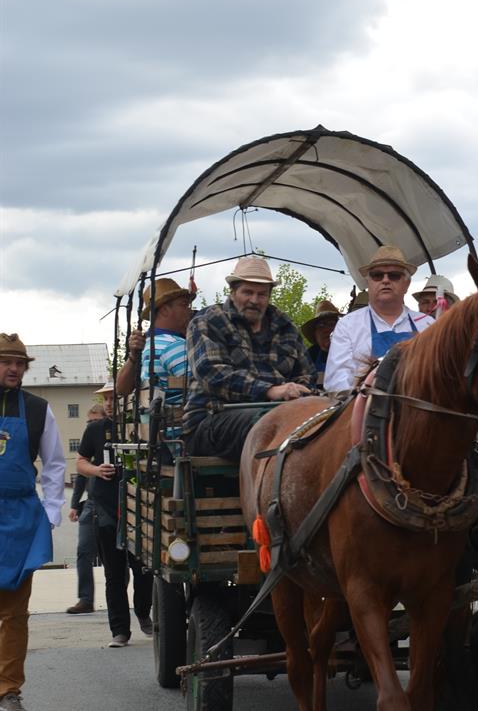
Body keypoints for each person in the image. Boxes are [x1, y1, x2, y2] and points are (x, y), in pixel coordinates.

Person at [184, 256, 316, 463]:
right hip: (212, 419)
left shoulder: (285, 326)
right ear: (233, 291)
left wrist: (298, 393)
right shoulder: (208, 321)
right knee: (266, 424)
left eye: (262, 294)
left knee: (325, 425)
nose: (254, 300)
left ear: (269, 296)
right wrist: (269, 391)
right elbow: (211, 374)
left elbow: (306, 373)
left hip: (282, 413)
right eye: (248, 292)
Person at [0, 333, 66, 711]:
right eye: (6, 362)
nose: (13, 369)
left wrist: (52, 511)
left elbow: (56, 463)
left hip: (20, 519)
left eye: (19, 363)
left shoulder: (39, 409)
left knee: (14, 613)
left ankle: (8, 692)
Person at [76, 382, 153, 647]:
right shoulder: (95, 429)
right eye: (106, 399)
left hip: (139, 509)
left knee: (143, 572)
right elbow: (81, 461)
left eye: (114, 398)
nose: (109, 403)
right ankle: (119, 631)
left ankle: (143, 612)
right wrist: (96, 471)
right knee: (114, 574)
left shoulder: (142, 426)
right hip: (106, 509)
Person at [323, 246, 434, 394]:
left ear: (406, 284)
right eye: (377, 275)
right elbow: (337, 382)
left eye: (394, 275)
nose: (385, 280)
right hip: (365, 410)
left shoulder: (427, 325)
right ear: (369, 283)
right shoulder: (347, 325)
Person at [115, 277, 194, 407]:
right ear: (164, 310)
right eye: (184, 305)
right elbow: (204, 387)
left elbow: (121, 389)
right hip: (183, 425)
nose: (189, 310)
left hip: (155, 425)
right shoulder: (173, 345)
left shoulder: (147, 344)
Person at [66, 405, 106, 614]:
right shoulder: (88, 441)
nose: (90, 426)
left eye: (94, 421)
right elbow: (81, 474)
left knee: (113, 554)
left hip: (110, 503)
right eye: (88, 422)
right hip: (90, 504)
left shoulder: (107, 440)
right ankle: (85, 599)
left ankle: (116, 594)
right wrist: (74, 505)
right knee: (83, 551)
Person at [301, 300, 342, 384]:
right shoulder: (309, 357)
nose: (326, 329)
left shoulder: (354, 352)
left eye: (331, 324)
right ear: (315, 334)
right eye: (321, 325)